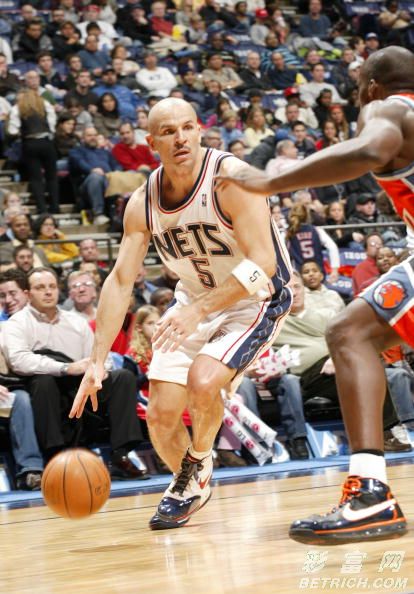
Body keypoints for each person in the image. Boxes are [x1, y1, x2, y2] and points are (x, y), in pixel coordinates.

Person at [215, 46, 414, 544]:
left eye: (359, 87)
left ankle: (370, 494)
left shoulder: (389, 108)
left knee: (349, 333)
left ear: (371, 87)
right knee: (355, 331)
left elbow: (369, 150)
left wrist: (269, 180)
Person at [69, 97, 292, 530]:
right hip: (194, 299)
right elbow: (120, 280)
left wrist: (201, 310)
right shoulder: (143, 201)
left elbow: (263, 263)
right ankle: (191, 484)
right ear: (151, 142)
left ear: (200, 130)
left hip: (256, 295)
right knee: (160, 416)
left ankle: (198, 461)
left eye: (188, 127)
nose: (181, 138)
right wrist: (96, 361)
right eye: (168, 132)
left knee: (203, 381)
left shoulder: (231, 180)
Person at [2, 267, 146, 479]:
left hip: (81, 385)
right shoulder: (17, 323)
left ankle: (120, 455)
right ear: (28, 293)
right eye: (40, 287)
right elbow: (19, 360)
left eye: (52, 286)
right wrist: (65, 368)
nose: (48, 292)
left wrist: (100, 370)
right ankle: (56, 457)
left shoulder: (76, 321)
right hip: (47, 390)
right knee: (44, 381)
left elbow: (99, 355)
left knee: (122, 377)